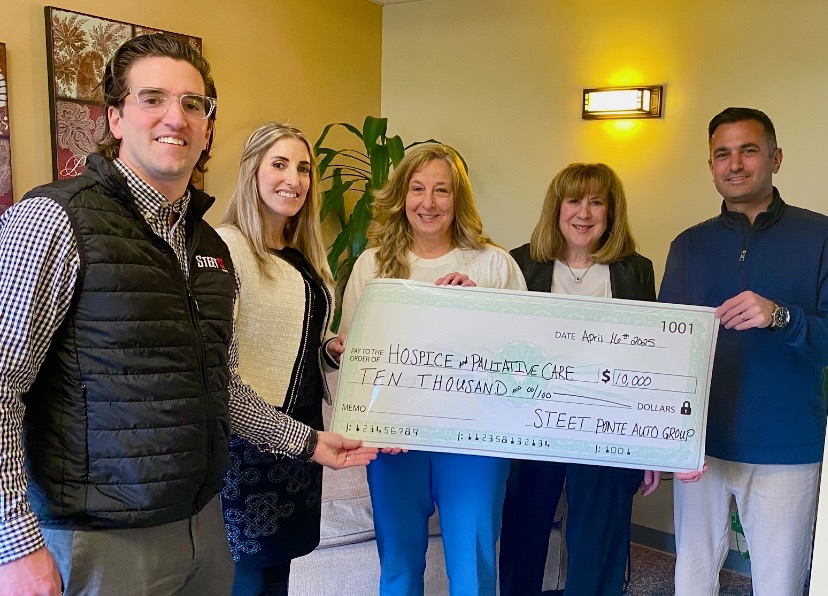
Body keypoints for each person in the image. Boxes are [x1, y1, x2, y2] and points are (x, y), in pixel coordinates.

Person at [0, 34, 374, 596]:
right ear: (115, 117)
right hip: (100, 538)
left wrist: (308, 442)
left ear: (207, 128)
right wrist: (14, 543)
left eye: (193, 104)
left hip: (204, 527)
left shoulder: (209, 249)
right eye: (152, 98)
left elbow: (220, 387)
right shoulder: (53, 219)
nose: (175, 117)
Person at [340, 143, 526, 596]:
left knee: (474, 574)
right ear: (401, 195)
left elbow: (524, 358)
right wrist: (370, 426)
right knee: (399, 570)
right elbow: (354, 359)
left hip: (474, 442)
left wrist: (478, 306)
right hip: (394, 442)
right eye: (417, 189)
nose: (429, 202)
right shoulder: (372, 265)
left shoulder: (494, 263)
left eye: (442, 190)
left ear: (458, 199)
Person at [660, 107, 828, 595]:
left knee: (779, 583)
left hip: (786, 448)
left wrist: (782, 316)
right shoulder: (688, 246)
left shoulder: (819, 237)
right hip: (701, 447)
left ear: (776, 158)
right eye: (722, 154)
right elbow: (666, 349)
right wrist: (666, 438)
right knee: (692, 579)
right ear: (711, 165)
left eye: (748, 150)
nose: (734, 164)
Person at [498, 163, 661, 596]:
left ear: (612, 211)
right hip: (532, 426)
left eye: (596, 202)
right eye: (573, 200)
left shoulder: (635, 270)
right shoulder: (521, 264)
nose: (584, 213)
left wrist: (651, 443)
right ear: (557, 208)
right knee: (523, 534)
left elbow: (648, 360)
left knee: (598, 541)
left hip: (605, 426)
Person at [217, 122, 342, 596]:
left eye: (304, 168)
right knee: (248, 574)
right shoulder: (227, 247)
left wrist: (329, 349)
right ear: (253, 171)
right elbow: (222, 359)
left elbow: (299, 337)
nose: (294, 178)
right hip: (251, 437)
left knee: (279, 574)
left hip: (304, 432)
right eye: (280, 164)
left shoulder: (304, 253)